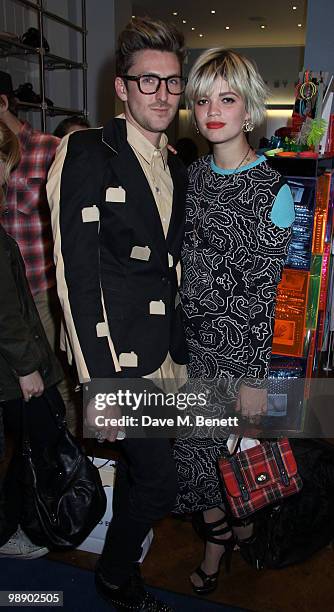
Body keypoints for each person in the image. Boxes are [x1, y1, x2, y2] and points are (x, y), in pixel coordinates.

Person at [47, 17, 188, 612]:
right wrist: (98, 383)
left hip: (167, 353)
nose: (161, 94)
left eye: (172, 83)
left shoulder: (178, 162)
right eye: (147, 81)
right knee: (161, 478)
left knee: (145, 471)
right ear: (122, 89)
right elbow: (74, 277)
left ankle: (124, 555)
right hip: (116, 356)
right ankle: (112, 574)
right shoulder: (86, 152)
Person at [172, 48, 295, 594]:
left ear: (249, 110)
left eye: (228, 98)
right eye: (202, 100)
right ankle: (237, 529)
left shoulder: (276, 190)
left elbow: (267, 296)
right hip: (186, 351)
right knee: (191, 473)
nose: (213, 110)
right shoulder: (190, 177)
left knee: (218, 467)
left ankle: (216, 553)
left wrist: (253, 382)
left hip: (239, 361)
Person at [0, 70, 78, 436]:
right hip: (7, 302)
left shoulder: (50, 148)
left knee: (56, 387)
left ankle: (71, 473)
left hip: (42, 293)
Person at [0, 119, 63, 559]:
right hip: (13, 368)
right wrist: (27, 369)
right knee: (32, 443)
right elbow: (6, 310)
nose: (8, 175)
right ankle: (12, 530)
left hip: (17, 360)